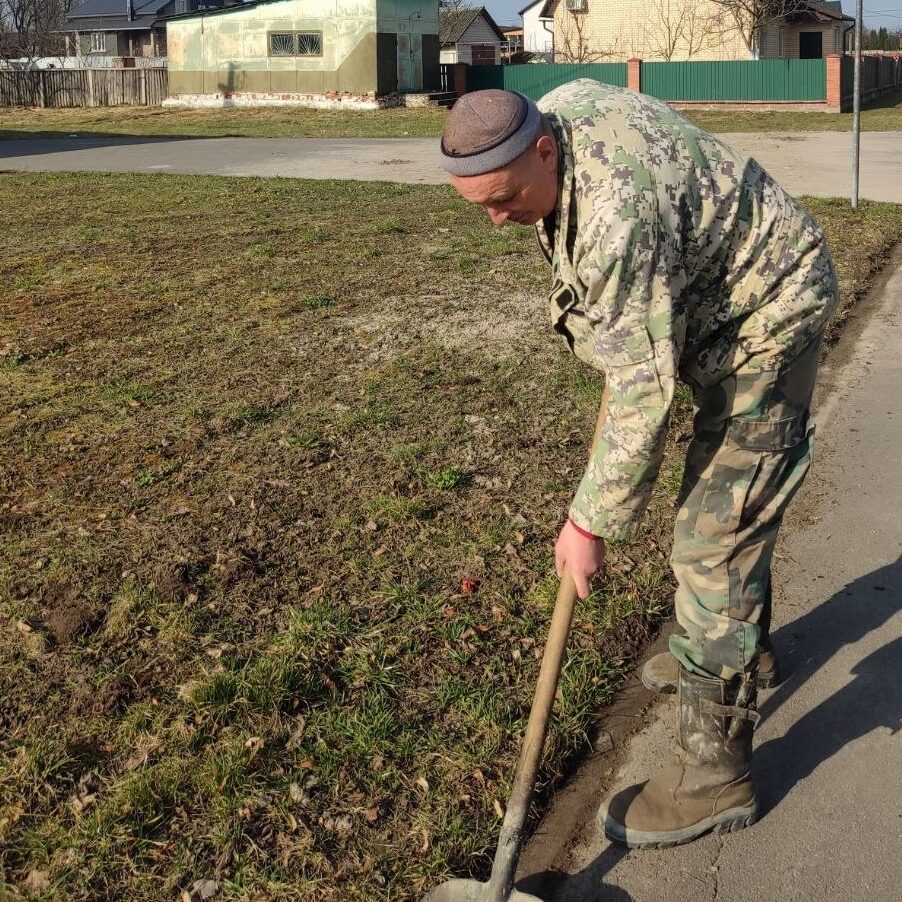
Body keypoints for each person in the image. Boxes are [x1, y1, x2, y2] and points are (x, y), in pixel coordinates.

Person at [439, 80, 837, 849]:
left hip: (770, 316)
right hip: (718, 292)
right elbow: (629, 325)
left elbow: (641, 391)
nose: (496, 220)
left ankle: (715, 776)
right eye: (479, 205)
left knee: (716, 537)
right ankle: (727, 653)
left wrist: (588, 523)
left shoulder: (615, 220)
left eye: (505, 199)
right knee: (721, 529)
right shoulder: (558, 112)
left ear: (544, 149)